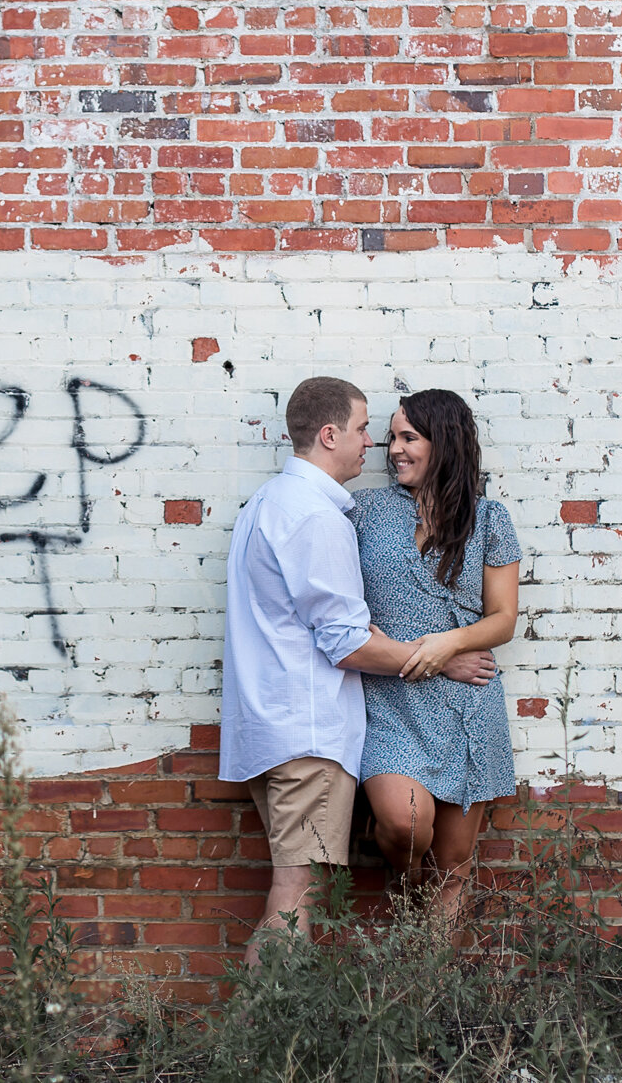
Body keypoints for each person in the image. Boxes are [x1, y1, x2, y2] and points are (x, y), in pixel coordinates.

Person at [220, 376, 498, 962]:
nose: (374, 445)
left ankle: (273, 1035)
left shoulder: (267, 505)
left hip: (273, 727)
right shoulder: (320, 519)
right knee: (296, 893)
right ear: (329, 435)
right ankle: (259, 1041)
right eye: (365, 429)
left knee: (301, 888)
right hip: (308, 734)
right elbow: (348, 643)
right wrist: (441, 661)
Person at [352, 388, 521, 917]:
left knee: (454, 864)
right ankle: (407, 886)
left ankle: (428, 982)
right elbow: (342, 614)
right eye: (391, 439)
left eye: (409, 438)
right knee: (405, 826)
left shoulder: (490, 519)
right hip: (391, 701)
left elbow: (503, 618)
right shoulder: (364, 512)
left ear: (444, 443)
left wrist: (451, 641)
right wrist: (429, 656)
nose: (395, 449)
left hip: (468, 705)